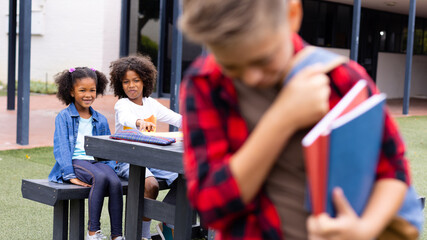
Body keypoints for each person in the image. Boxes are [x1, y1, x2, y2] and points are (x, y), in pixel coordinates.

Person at [179, 0, 412, 239]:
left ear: (293, 14)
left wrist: (364, 230)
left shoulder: (342, 79)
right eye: (232, 65)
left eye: (263, 60)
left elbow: (393, 169)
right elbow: (210, 206)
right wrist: (282, 119)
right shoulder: (204, 83)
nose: (251, 77)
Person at [109, 55, 181, 239]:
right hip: (127, 160)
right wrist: (139, 122)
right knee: (151, 185)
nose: (131, 85)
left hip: (150, 159)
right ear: (120, 84)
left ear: (145, 81)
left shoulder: (151, 104)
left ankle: (168, 220)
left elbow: (177, 118)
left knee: (186, 177)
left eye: (136, 80)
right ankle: (142, 235)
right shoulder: (122, 104)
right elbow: (125, 118)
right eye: (126, 82)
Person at [48, 67, 124, 240]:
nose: (88, 95)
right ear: (71, 92)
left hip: (96, 162)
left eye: (92, 90)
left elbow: (107, 148)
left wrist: (111, 167)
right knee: (101, 177)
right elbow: (62, 148)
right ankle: (92, 232)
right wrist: (69, 174)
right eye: (82, 90)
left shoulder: (100, 119)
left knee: (114, 181)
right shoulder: (64, 117)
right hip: (75, 161)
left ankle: (117, 235)